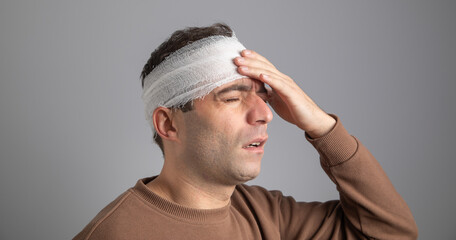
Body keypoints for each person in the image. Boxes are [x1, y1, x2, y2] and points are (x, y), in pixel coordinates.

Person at [73, 23, 418, 239]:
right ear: (168, 124)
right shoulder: (115, 234)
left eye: (263, 96)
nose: (265, 113)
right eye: (233, 97)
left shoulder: (266, 215)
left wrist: (320, 125)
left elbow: (392, 232)